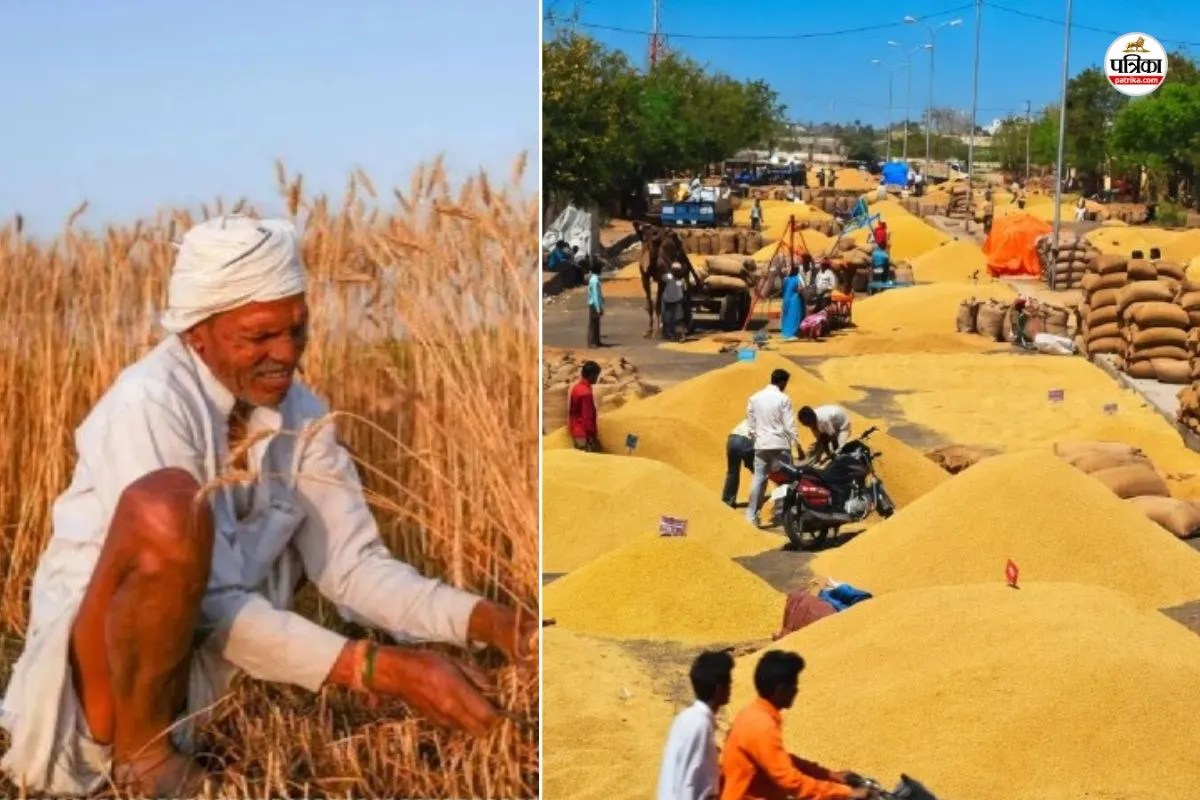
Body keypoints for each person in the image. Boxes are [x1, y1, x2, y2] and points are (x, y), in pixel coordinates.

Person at [0, 215, 535, 798]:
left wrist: (491, 622)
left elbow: (355, 568)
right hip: (91, 700)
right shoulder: (147, 402)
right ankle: (142, 760)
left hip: (195, 692)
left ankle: (174, 739)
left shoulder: (302, 414)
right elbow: (206, 602)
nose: (286, 354)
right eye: (258, 337)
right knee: (167, 509)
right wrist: (377, 667)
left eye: (297, 331)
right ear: (196, 333)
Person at [720, 651, 868, 800]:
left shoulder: (754, 714)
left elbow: (783, 760)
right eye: (794, 685)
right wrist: (845, 792)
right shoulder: (761, 725)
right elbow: (790, 780)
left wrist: (829, 775)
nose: (796, 690)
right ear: (780, 689)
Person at [656, 650, 735, 800]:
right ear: (719, 689)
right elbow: (689, 783)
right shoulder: (700, 725)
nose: (731, 688)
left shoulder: (685, 718)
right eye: (729, 683)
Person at [745, 369, 798, 527]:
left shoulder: (754, 398)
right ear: (782, 382)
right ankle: (786, 514)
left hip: (761, 445)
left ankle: (751, 517)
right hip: (780, 444)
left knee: (758, 479)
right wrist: (796, 443)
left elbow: (751, 425)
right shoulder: (783, 398)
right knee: (787, 479)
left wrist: (758, 438)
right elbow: (789, 425)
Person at [722, 418, 756, 508]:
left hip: (732, 439)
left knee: (732, 472)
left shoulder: (751, 416)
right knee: (758, 472)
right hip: (746, 441)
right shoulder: (767, 420)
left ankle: (727, 501)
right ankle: (756, 500)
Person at [569, 361, 602, 451]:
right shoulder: (585, 393)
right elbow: (587, 417)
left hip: (576, 430)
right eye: (597, 375)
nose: (597, 378)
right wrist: (592, 437)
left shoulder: (577, 387)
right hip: (584, 434)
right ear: (592, 375)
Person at [779, 262, 806, 341]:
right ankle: (792, 333)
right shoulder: (798, 277)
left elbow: (783, 289)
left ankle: (785, 333)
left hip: (786, 299)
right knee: (794, 316)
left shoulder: (787, 279)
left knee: (786, 316)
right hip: (794, 299)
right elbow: (802, 288)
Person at [662, 263, 687, 342]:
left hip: (677, 302)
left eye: (677, 271)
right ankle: (672, 335)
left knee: (678, 319)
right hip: (668, 301)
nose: (676, 272)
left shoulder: (681, 280)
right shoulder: (669, 277)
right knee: (668, 319)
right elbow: (663, 277)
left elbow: (684, 288)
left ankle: (681, 335)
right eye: (674, 270)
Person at [587, 261, 604, 348]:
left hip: (594, 304)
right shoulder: (595, 281)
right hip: (594, 305)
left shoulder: (594, 279)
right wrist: (599, 308)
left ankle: (596, 341)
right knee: (593, 324)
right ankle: (592, 342)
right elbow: (596, 296)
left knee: (596, 324)